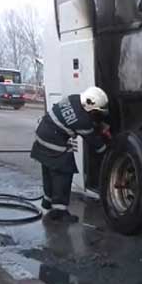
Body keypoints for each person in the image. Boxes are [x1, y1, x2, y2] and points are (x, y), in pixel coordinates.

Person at [31, 86, 110, 223]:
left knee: (49, 170)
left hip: (42, 136)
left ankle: (47, 202)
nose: (97, 114)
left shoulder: (74, 98)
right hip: (52, 142)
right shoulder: (82, 121)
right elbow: (94, 142)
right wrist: (107, 151)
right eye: (96, 112)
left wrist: (98, 124)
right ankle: (60, 211)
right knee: (64, 171)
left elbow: (79, 117)